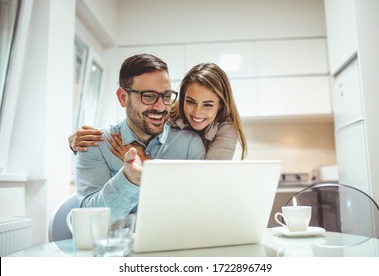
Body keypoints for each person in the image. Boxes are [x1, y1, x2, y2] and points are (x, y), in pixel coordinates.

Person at [76, 53, 205, 216]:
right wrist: (128, 180)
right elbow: (88, 218)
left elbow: (199, 208)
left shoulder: (189, 145)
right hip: (119, 241)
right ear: (123, 97)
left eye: (166, 96)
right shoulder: (95, 145)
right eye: (149, 96)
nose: (160, 107)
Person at [70, 62, 247, 160]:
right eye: (190, 101)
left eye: (208, 105)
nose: (197, 112)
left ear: (220, 105)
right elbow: (133, 121)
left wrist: (144, 162)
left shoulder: (227, 129)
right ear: (182, 97)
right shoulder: (165, 112)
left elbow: (208, 180)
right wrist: (77, 140)